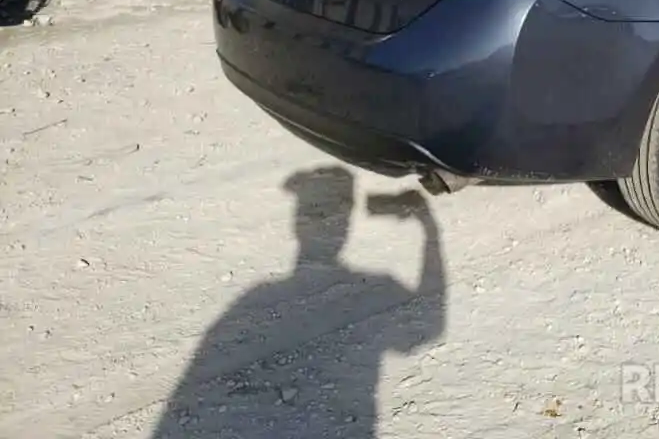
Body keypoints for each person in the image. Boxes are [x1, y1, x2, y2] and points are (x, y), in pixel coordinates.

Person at [148, 166, 445, 438]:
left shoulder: (257, 296)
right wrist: (429, 228)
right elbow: (428, 325)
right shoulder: (378, 286)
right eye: (316, 213)